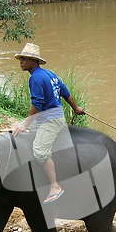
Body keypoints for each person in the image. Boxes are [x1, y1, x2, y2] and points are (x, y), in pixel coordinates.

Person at [13, 43, 84, 203]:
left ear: (33, 61)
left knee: (40, 151)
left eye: (24, 59)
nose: (21, 62)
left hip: (51, 120)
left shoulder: (36, 78)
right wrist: (76, 108)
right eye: (21, 59)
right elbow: (65, 92)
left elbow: (37, 104)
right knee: (17, 128)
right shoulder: (49, 74)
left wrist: (25, 124)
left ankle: (55, 186)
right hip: (47, 116)